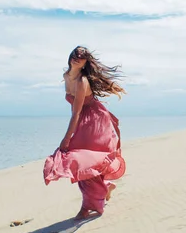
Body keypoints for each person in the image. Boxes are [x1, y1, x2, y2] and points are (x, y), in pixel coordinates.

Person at [43, 46, 126, 219]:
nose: (77, 57)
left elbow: (76, 112)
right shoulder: (66, 76)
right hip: (84, 120)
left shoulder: (82, 81)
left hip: (94, 120)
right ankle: (106, 186)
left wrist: (66, 138)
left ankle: (89, 205)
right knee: (85, 161)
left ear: (86, 61)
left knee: (82, 161)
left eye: (82, 56)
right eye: (75, 54)